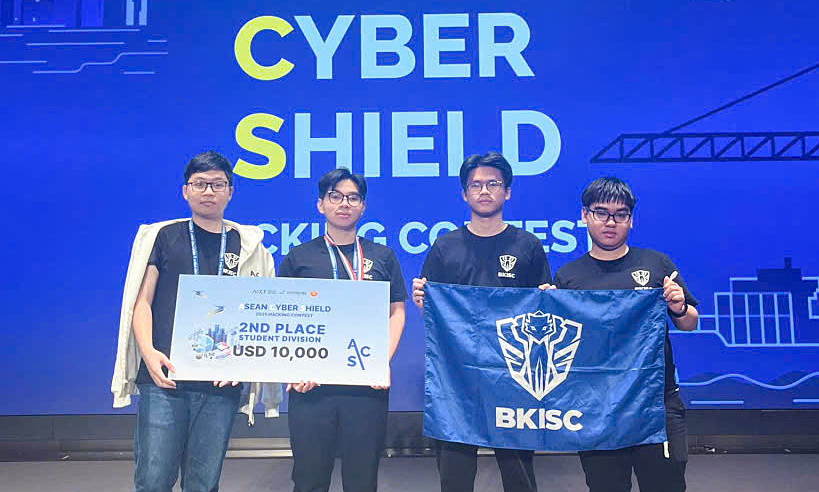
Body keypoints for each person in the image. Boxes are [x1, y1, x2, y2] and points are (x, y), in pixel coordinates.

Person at [111, 150, 281, 492]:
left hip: (221, 381)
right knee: (153, 480)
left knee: (203, 484)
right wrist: (148, 353)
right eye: (200, 183)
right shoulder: (162, 237)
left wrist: (243, 363)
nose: (208, 191)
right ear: (185, 190)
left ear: (230, 192)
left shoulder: (249, 247)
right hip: (165, 376)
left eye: (217, 184)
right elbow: (141, 302)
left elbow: (259, 313)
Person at [412, 152, 551, 492]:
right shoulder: (445, 247)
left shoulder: (528, 246)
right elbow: (433, 316)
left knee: (519, 475)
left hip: (513, 376)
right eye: (476, 185)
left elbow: (542, 315)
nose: (484, 190)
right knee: (455, 476)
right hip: (457, 379)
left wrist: (548, 300)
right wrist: (423, 303)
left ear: (507, 191)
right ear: (464, 194)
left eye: (493, 183)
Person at [552, 176, 698, 492]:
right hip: (597, 407)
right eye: (601, 213)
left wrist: (678, 306)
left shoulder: (657, 264)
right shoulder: (567, 278)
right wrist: (547, 307)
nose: (611, 222)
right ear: (584, 215)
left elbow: (690, 322)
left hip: (657, 404)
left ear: (631, 220)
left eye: (620, 214)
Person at [276, 167, 408, 492]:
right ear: (320, 204)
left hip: (365, 387)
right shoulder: (298, 258)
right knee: (309, 480)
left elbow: (396, 312)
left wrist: (381, 362)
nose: (344, 204)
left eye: (353, 197)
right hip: (311, 387)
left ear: (363, 206)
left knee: (362, 480)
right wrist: (293, 368)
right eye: (335, 196)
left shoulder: (382, 256)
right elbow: (283, 319)